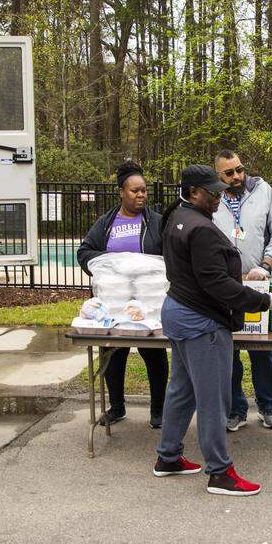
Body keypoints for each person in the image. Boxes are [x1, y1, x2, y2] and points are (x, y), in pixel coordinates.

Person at [152, 164, 272, 497]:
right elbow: (218, 285)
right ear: (192, 193)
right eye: (212, 192)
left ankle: (168, 456)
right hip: (201, 322)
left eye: (220, 190)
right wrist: (268, 302)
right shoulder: (200, 229)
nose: (220, 196)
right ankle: (219, 473)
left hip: (177, 311)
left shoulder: (176, 216)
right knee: (213, 399)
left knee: (182, 389)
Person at [76, 160, 168, 428]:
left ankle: (158, 411)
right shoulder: (106, 223)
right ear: (121, 192)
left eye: (144, 190)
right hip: (114, 306)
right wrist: (112, 266)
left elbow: (169, 256)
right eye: (134, 191)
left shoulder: (156, 223)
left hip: (148, 306)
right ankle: (116, 407)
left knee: (154, 355)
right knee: (113, 355)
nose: (141, 195)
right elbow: (85, 252)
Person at [211, 150, 272, 431]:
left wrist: (267, 264)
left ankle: (267, 406)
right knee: (228, 349)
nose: (237, 177)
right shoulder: (213, 198)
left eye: (240, 170)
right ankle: (236, 409)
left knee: (262, 348)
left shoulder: (263, 191)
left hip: (258, 281)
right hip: (224, 285)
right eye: (229, 173)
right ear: (218, 175)